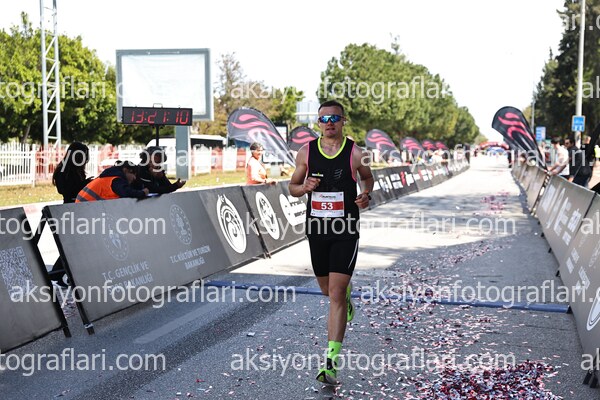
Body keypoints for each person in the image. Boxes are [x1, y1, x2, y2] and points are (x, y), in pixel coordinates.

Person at [289, 100, 374, 385]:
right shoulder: (306, 152)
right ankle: (345, 295)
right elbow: (292, 187)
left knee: (335, 293)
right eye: (324, 119)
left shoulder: (356, 153)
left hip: (345, 230)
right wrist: (304, 187)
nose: (329, 123)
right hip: (317, 230)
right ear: (318, 123)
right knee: (328, 290)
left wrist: (365, 194)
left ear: (343, 121)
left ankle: (330, 364)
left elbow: (368, 178)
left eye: (334, 118)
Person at [50, 141, 92, 286]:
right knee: (73, 245)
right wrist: (84, 184)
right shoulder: (64, 170)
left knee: (76, 245)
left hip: (77, 208)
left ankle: (59, 273)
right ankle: (59, 273)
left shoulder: (75, 170)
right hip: (69, 209)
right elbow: (65, 190)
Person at [76, 160, 148, 202]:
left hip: (84, 206)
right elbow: (126, 192)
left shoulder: (110, 176)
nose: (134, 178)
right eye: (133, 174)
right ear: (125, 170)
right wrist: (142, 193)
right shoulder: (116, 179)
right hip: (85, 208)